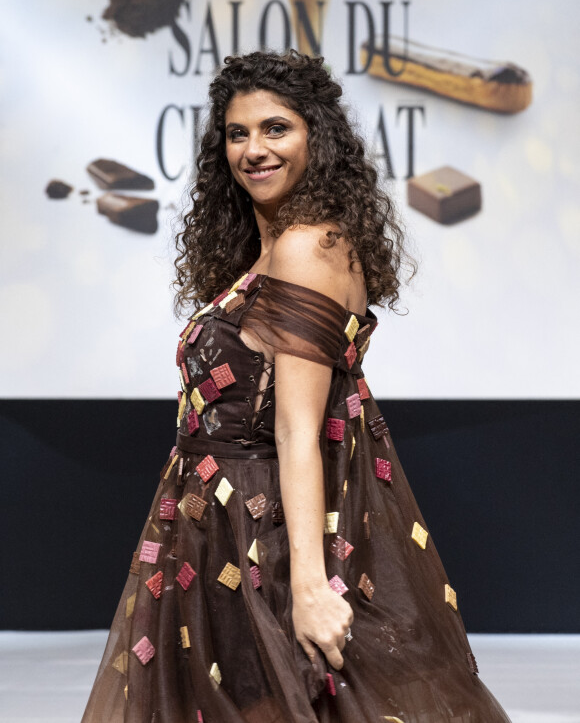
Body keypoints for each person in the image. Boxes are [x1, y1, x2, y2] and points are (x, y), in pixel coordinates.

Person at [82, 51, 512, 723]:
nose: (254, 149)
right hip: (215, 527)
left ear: (317, 136)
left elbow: (298, 431)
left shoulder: (307, 247)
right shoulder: (272, 248)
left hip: (263, 535)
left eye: (275, 128)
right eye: (237, 132)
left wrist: (308, 586)